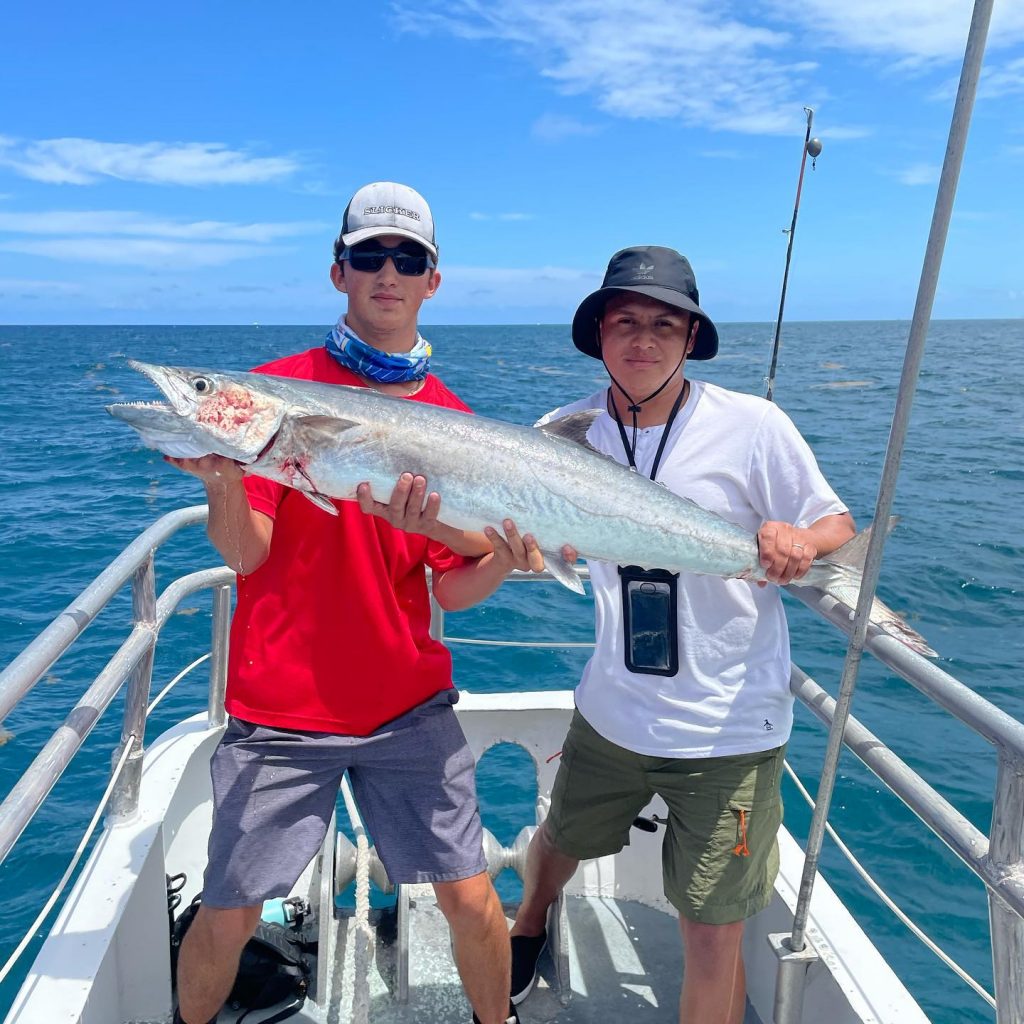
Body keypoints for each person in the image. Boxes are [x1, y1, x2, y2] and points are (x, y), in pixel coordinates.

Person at [167, 182, 535, 1024]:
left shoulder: (454, 425)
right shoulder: (274, 394)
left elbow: (456, 590)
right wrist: (226, 481)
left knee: (474, 901)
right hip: (281, 710)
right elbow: (244, 553)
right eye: (369, 256)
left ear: (432, 281)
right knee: (228, 912)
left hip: (405, 707)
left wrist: (509, 562)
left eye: (409, 259)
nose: (388, 272)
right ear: (339, 272)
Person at [508, 246, 856, 1024]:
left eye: (665, 324)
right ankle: (528, 923)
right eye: (624, 321)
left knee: (712, 932)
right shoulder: (564, 434)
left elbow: (835, 522)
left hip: (730, 726)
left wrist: (804, 544)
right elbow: (529, 536)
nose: (643, 339)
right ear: (598, 334)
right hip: (612, 708)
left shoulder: (754, 426)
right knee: (558, 840)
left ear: (691, 338)